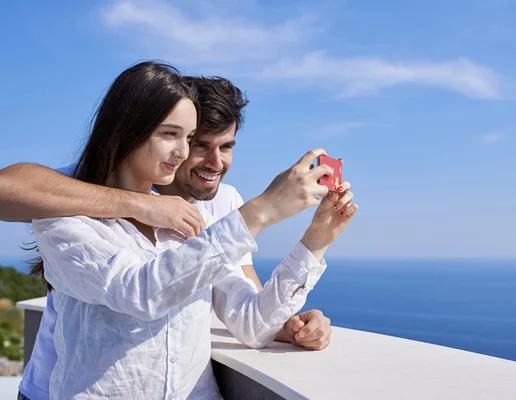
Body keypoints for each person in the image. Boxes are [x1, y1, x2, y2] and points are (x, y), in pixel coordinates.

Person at [5, 61, 357, 399]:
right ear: (129, 131)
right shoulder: (65, 209)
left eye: (189, 137)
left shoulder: (195, 217)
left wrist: (315, 241)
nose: (185, 152)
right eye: (175, 136)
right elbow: (142, 291)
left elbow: (251, 321)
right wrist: (261, 210)